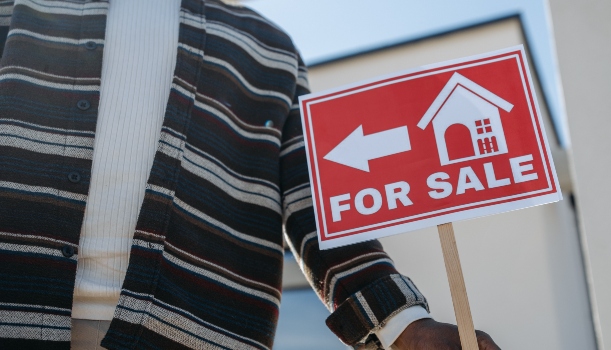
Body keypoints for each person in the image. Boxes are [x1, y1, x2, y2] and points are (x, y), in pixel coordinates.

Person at [0, 0, 500, 349]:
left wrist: (402, 322)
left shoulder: (269, 49)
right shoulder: (20, 10)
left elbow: (318, 205)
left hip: (194, 331)